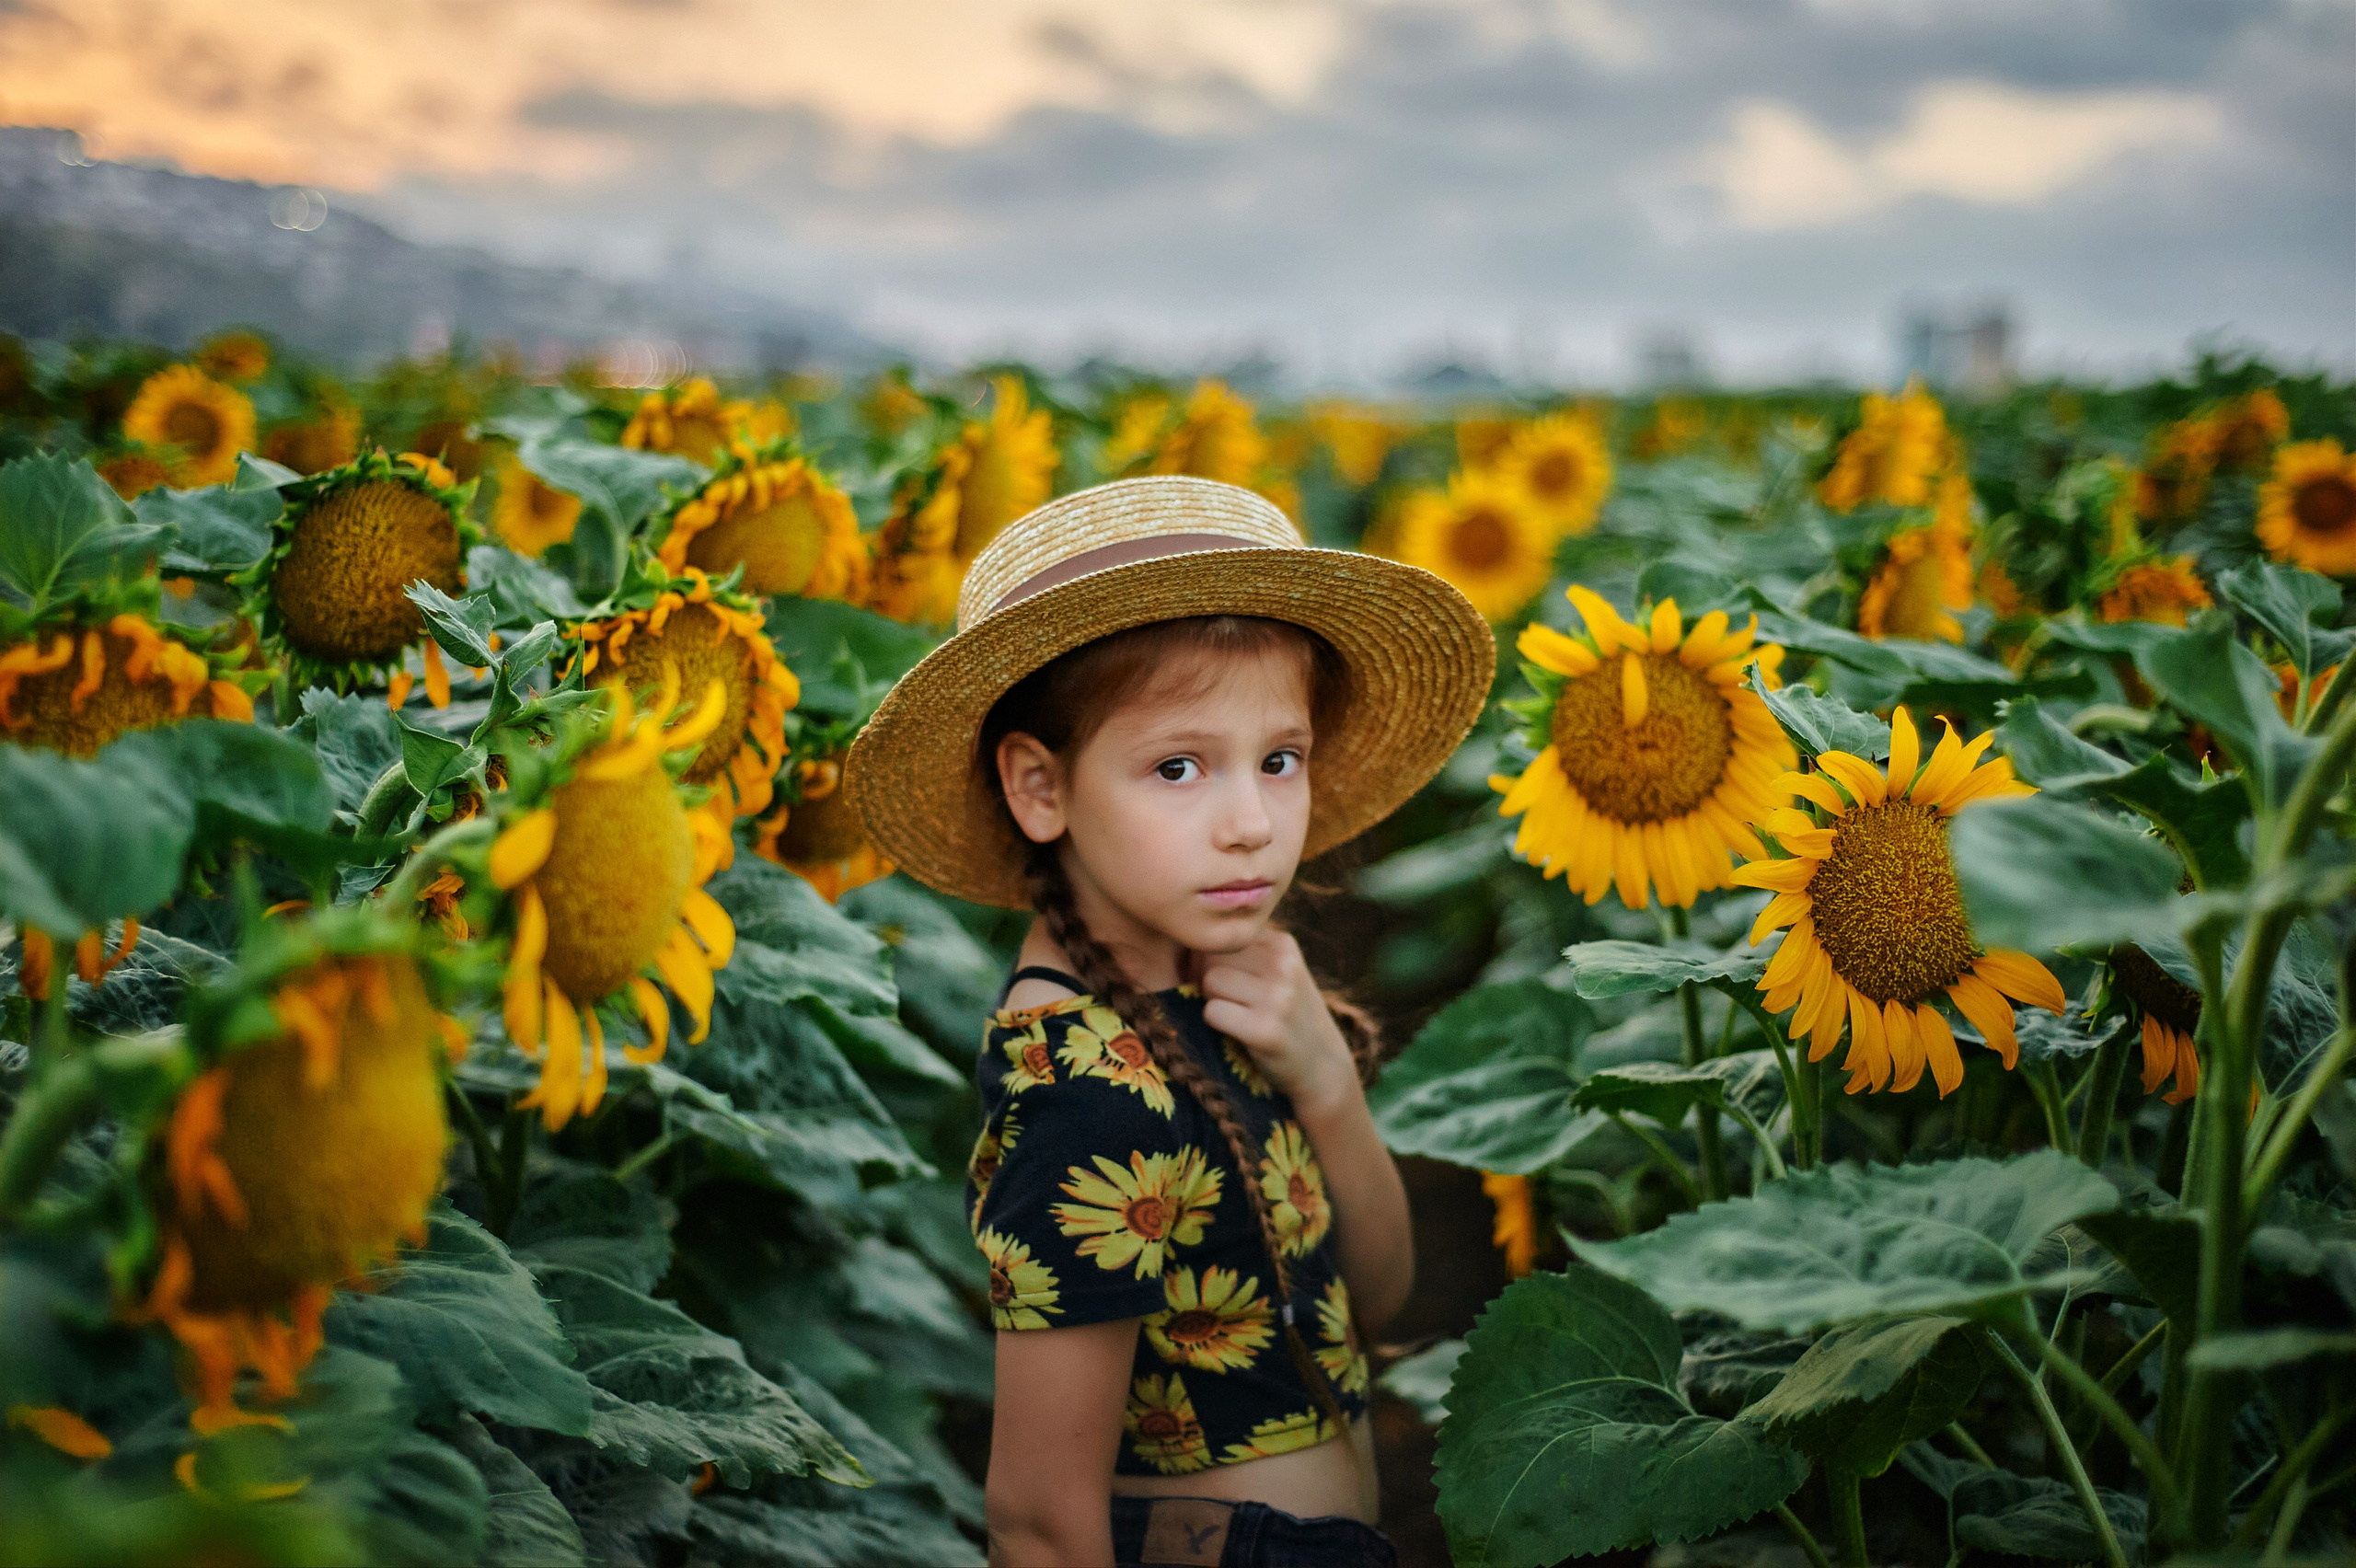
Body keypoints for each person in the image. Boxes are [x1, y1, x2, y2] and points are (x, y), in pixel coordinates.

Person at [847, 477, 1491, 1567]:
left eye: (1278, 760)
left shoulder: (1224, 989)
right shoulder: (1088, 1094)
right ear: (1039, 788)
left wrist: (1326, 1083)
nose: (1250, 824)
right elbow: (1041, 1522)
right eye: (1178, 767)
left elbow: (1378, 1301)